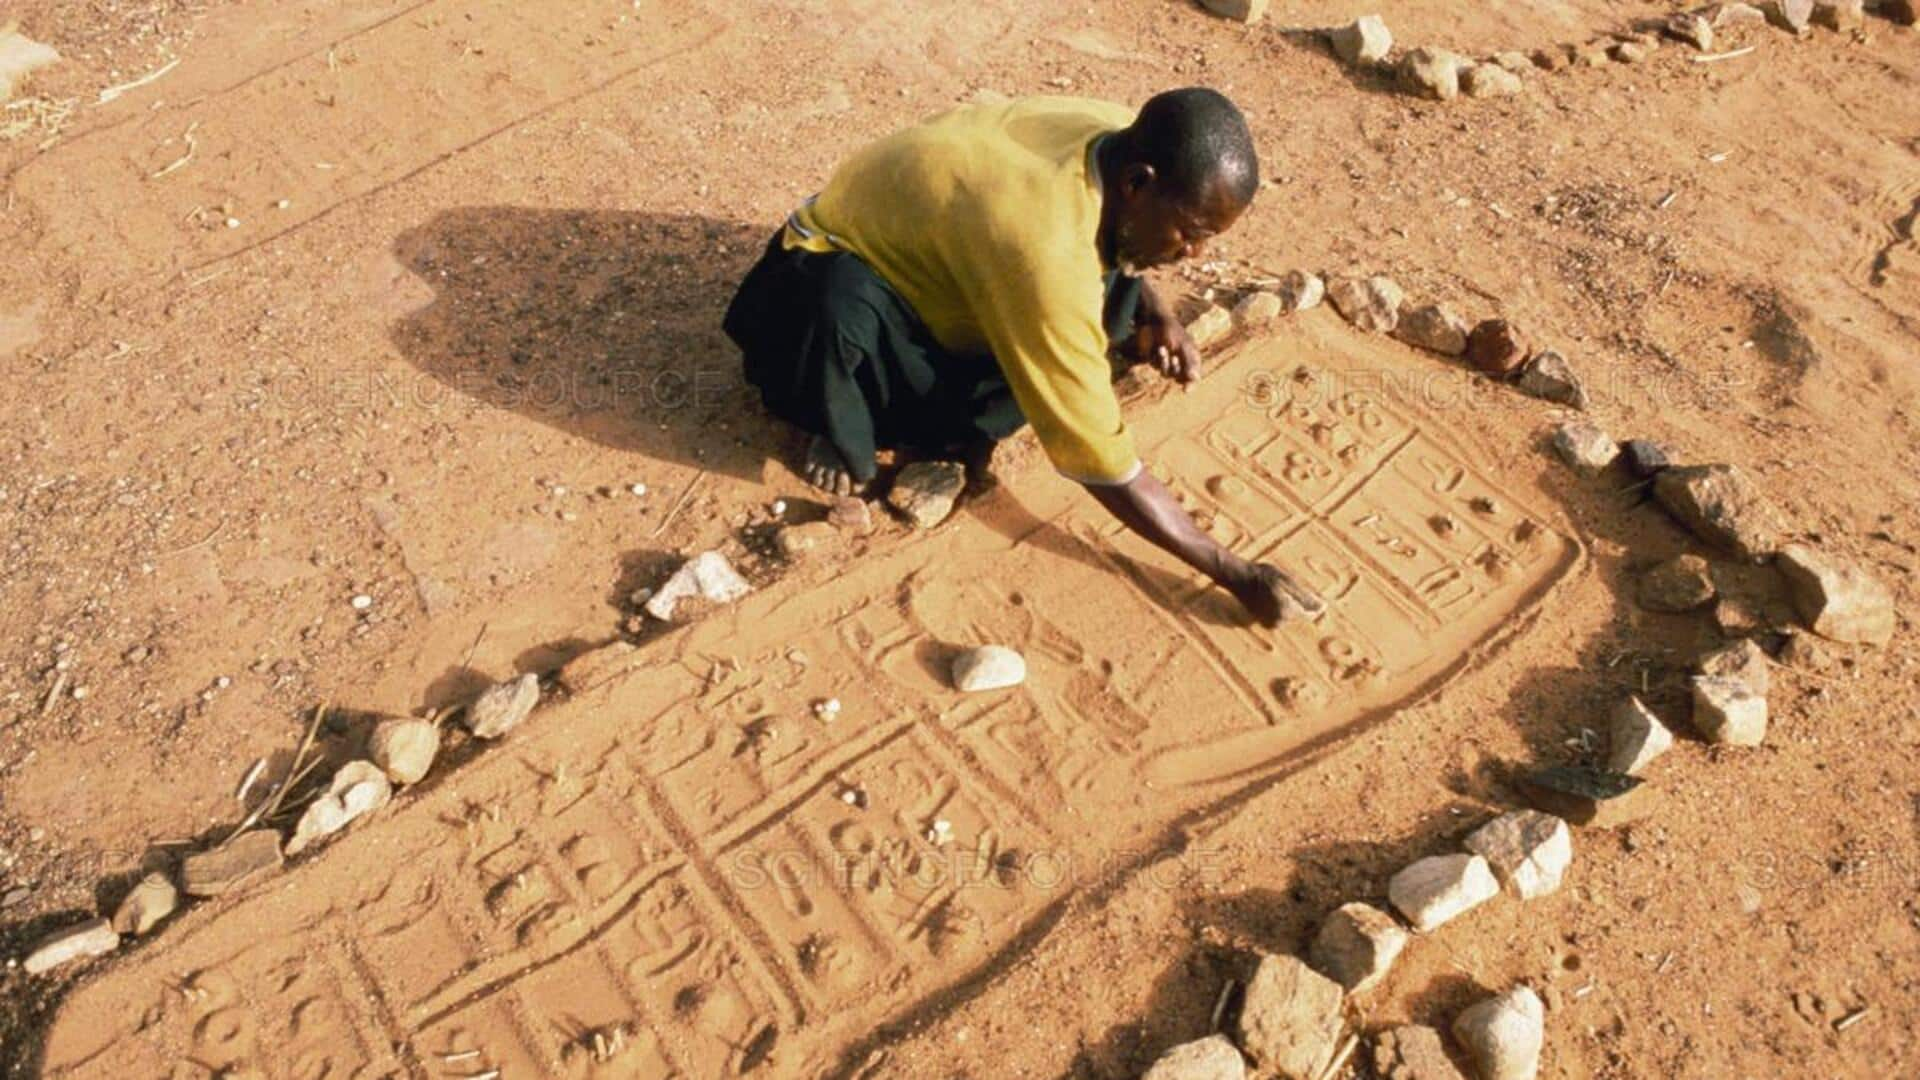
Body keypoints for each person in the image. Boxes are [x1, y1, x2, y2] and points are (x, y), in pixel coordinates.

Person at [724, 88, 1323, 627]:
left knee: (1093, 300)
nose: (1194, 253)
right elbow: (1100, 458)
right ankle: (838, 421)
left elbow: (1102, 238)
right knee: (948, 399)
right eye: (1190, 232)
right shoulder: (1042, 249)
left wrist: (1155, 313)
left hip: (953, 248)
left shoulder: (1116, 132)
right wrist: (1232, 570)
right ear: (1138, 182)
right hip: (820, 281)